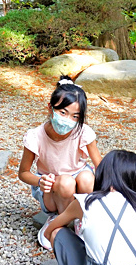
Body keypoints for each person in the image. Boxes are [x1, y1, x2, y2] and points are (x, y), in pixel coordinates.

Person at [18, 77, 103, 216]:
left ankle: (85, 218)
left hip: (79, 182)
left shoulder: (83, 132)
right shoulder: (35, 136)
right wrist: (40, 181)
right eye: (63, 113)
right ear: (50, 109)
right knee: (66, 182)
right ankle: (62, 222)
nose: (67, 120)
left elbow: (100, 165)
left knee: (88, 178)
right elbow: (23, 173)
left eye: (75, 116)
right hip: (52, 188)